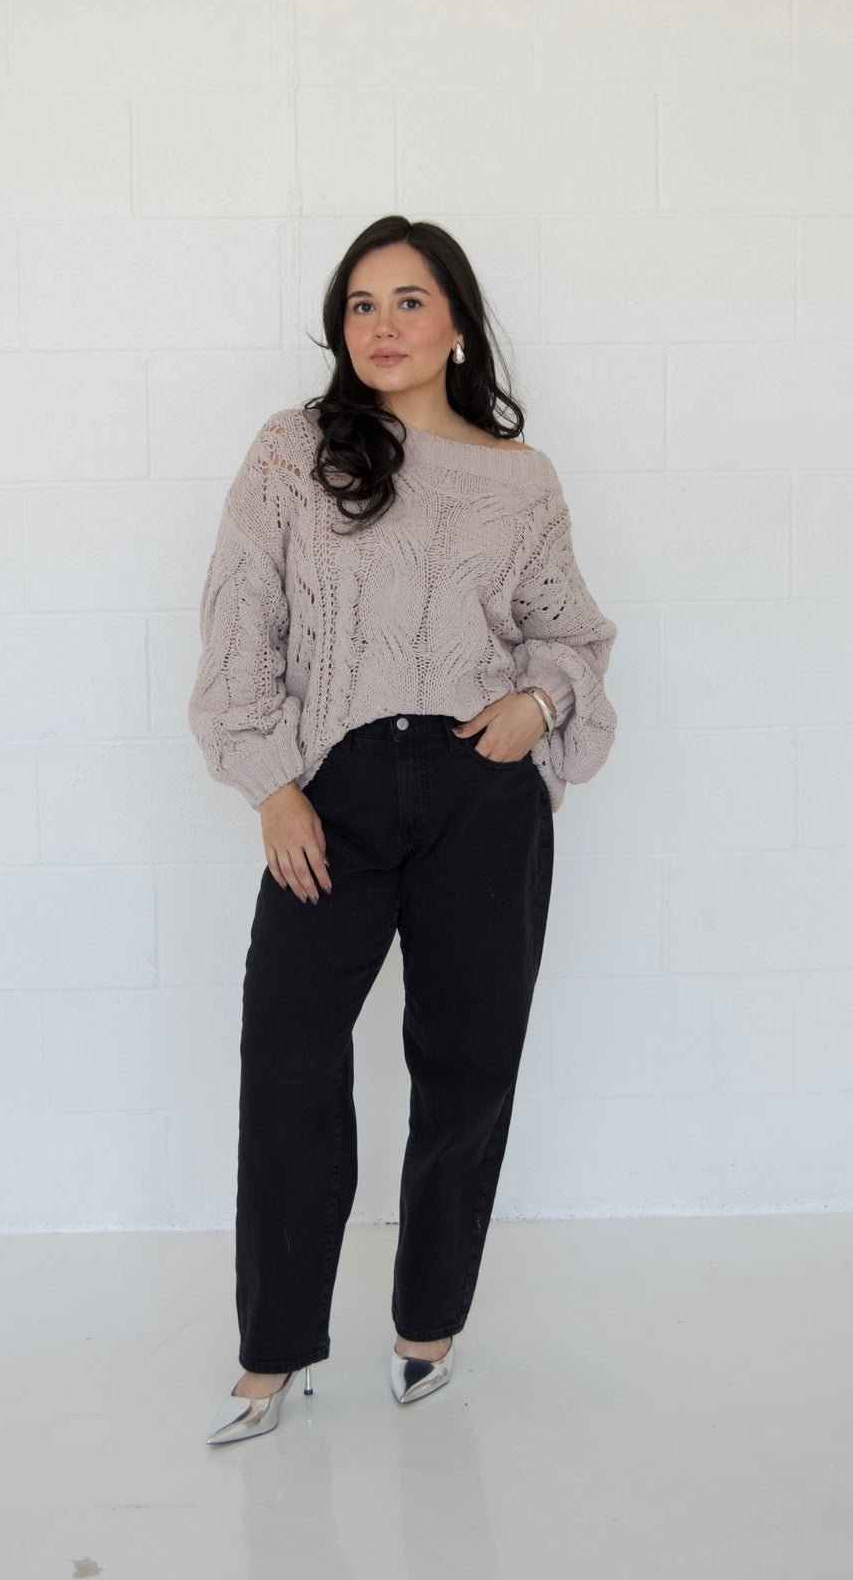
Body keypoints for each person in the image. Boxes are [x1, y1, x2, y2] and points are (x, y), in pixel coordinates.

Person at [189, 215, 619, 1445]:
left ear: (458, 325)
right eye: (361, 305)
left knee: (469, 1062)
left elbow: (572, 634)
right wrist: (275, 784)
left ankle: (427, 1330)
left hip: (480, 788)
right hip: (333, 790)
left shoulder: (518, 478)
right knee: (286, 1059)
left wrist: (535, 705)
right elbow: (239, 633)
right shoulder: (291, 453)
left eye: (408, 301)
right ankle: (273, 1350)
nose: (381, 326)